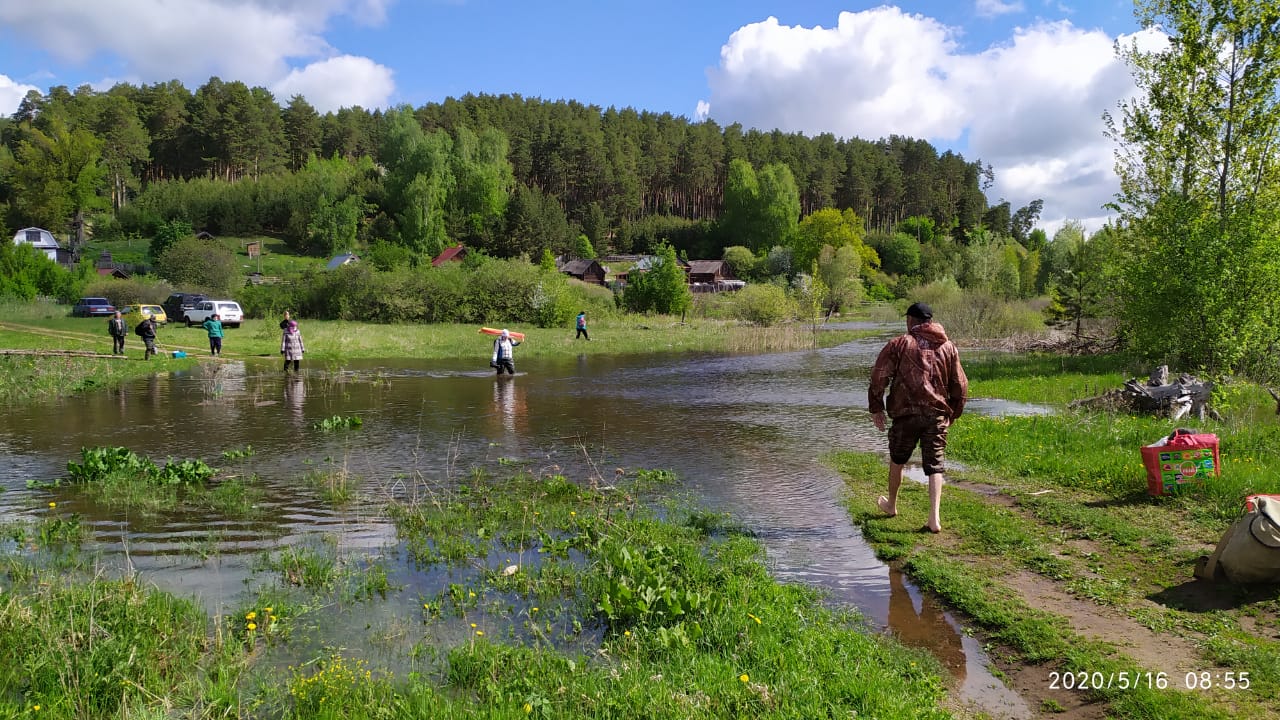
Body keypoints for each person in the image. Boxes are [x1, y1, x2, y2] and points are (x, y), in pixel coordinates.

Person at [868, 302, 968, 534]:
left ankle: (891, 505)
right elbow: (960, 384)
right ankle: (934, 519)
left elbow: (879, 376)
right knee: (935, 465)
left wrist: (876, 407)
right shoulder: (948, 346)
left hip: (906, 414)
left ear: (911, 320)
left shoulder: (900, 344)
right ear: (930, 321)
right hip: (936, 414)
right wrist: (954, 410)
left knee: (898, 458)